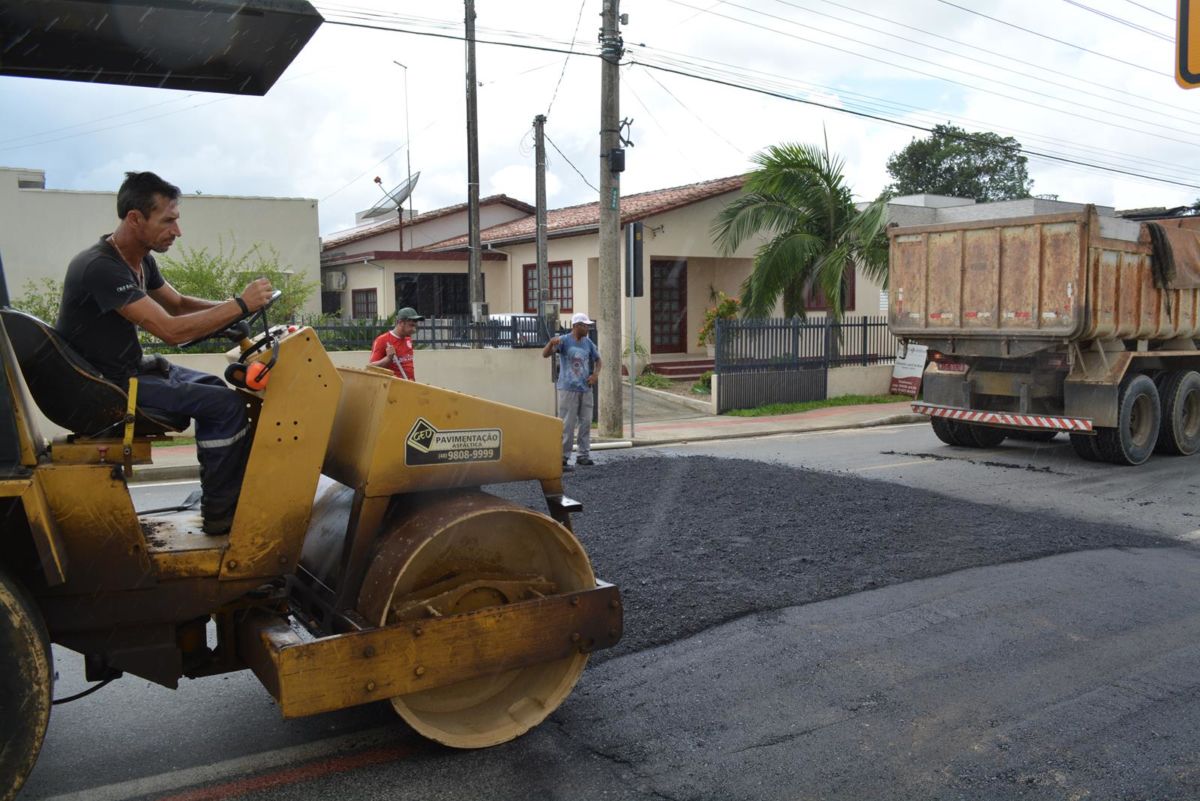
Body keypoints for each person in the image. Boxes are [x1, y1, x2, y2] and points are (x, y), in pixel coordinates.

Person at [56, 171, 275, 535]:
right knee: (226, 407)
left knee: (221, 390)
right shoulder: (101, 267)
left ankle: (220, 493)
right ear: (135, 219)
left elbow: (177, 304)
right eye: (168, 220)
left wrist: (237, 310)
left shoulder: (140, 259)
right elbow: (170, 330)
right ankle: (222, 512)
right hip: (107, 387)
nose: (177, 230)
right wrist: (238, 304)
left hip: (129, 371)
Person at [543, 312, 601, 468]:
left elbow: (598, 359)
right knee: (567, 424)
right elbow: (545, 354)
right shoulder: (564, 341)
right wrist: (550, 343)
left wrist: (595, 375)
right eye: (585, 326)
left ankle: (583, 455)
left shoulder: (588, 343)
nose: (588, 328)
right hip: (568, 388)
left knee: (586, 422)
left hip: (585, 388)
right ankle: (562, 457)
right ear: (577, 326)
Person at [369, 307, 423, 380]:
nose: (414, 330)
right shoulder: (382, 340)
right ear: (400, 323)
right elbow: (371, 367)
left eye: (415, 326)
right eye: (411, 325)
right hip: (393, 387)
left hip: (409, 386)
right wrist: (388, 359)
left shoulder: (408, 339)